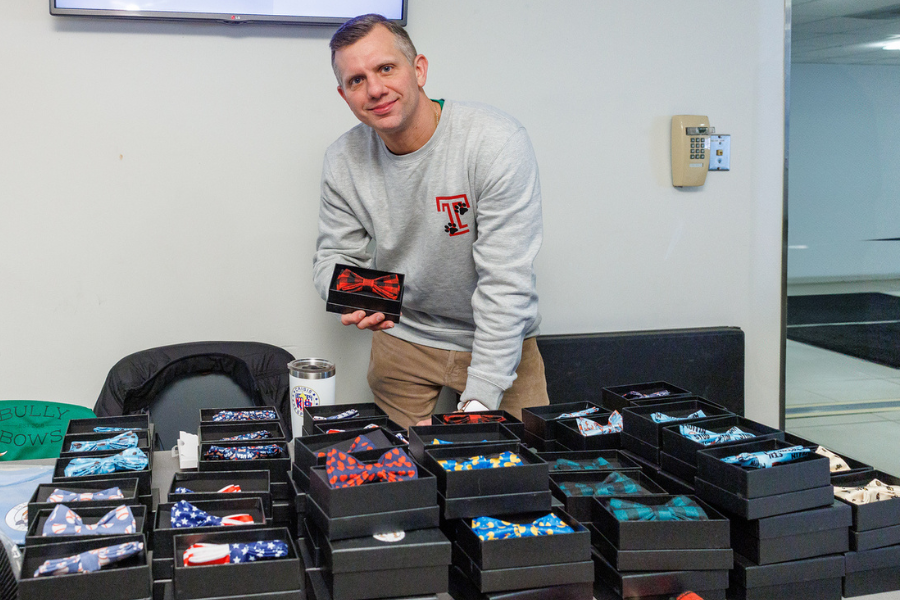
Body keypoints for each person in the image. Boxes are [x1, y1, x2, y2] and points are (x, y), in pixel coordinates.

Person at [312, 13, 549, 428]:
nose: (375, 89)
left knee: (517, 465)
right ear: (343, 95)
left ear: (419, 70)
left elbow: (506, 283)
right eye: (356, 80)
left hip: (500, 341)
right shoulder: (342, 160)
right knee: (398, 465)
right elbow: (332, 258)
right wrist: (354, 295)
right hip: (404, 338)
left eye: (386, 68)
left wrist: (478, 403)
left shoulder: (495, 142)